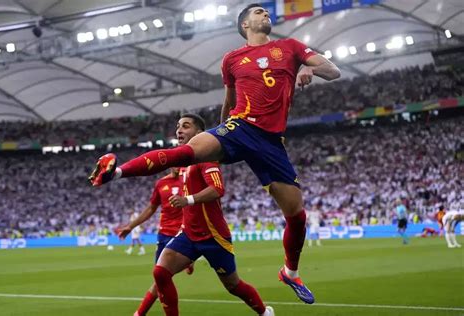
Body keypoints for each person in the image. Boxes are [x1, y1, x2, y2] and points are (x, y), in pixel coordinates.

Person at [89, 3, 340, 304]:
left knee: (296, 215)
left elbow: (333, 70)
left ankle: (290, 271)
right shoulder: (232, 59)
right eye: (259, 11)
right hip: (240, 126)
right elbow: (229, 101)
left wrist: (309, 67)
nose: (265, 14)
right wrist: (218, 134)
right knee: (187, 151)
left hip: (271, 142)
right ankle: (116, 172)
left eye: (266, 11)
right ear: (245, 24)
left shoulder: (290, 47)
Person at [151, 114, 274, 315]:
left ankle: (264, 312)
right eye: (178, 126)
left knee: (233, 285)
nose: (179, 130)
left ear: (199, 133)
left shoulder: (206, 158)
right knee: (160, 272)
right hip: (189, 234)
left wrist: (188, 200)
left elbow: (217, 189)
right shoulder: (184, 161)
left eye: (186, 126)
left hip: (213, 236)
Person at [116, 168, 193, 316]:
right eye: (175, 163)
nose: (178, 166)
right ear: (171, 165)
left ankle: (139, 313)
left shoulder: (188, 179)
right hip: (164, 234)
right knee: (160, 279)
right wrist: (131, 226)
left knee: (163, 277)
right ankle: (188, 262)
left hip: (183, 234)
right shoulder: (161, 183)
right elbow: (151, 208)